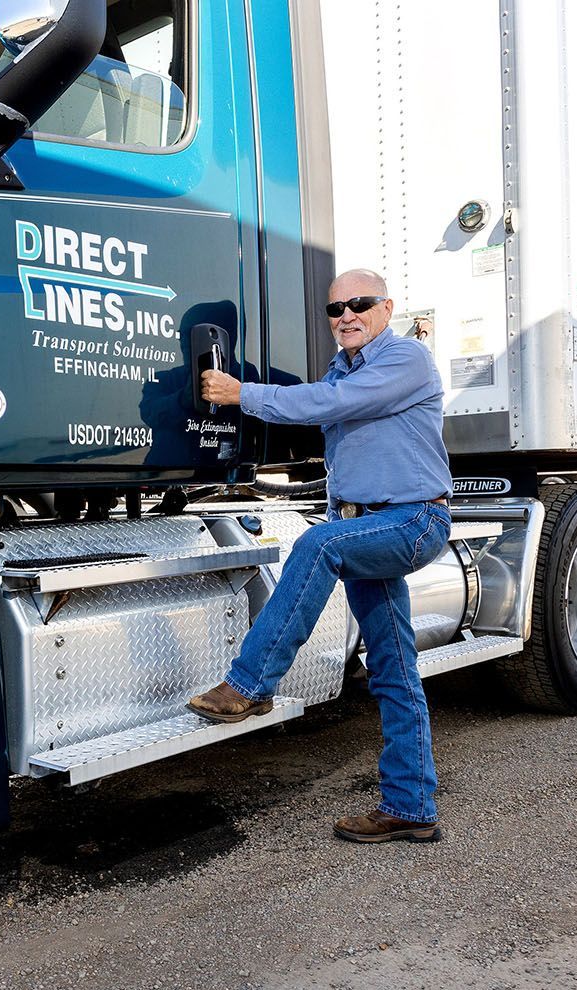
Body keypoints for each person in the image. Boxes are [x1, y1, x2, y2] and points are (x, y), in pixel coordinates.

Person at [189, 268, 453, 844]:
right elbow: (323, 398)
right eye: (335, 310)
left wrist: (243, 393)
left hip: (412, 519)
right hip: (365, 525)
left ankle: (251, 685)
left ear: (386, 308)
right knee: (394, 670)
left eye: (359, 304)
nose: (346, 316)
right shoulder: (343, 367)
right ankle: (410, 807)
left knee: (316, 544)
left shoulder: (406, 360)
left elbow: (333, 402)